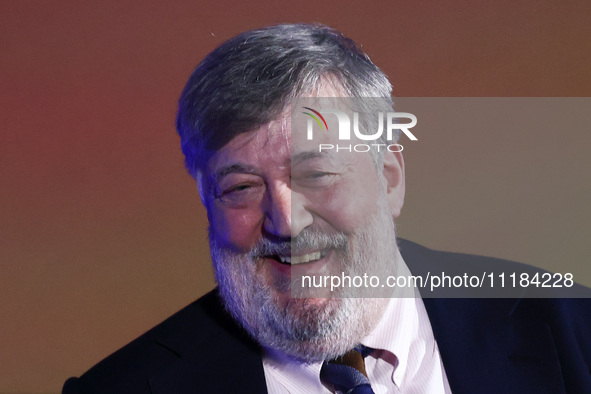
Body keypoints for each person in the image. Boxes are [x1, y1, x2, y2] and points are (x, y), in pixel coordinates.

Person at [63, 23, 590, 394]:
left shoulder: (575, 331)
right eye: (242, 188)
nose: (286, 221)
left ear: (389, 180)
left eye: (316, 174)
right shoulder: (121, 388)